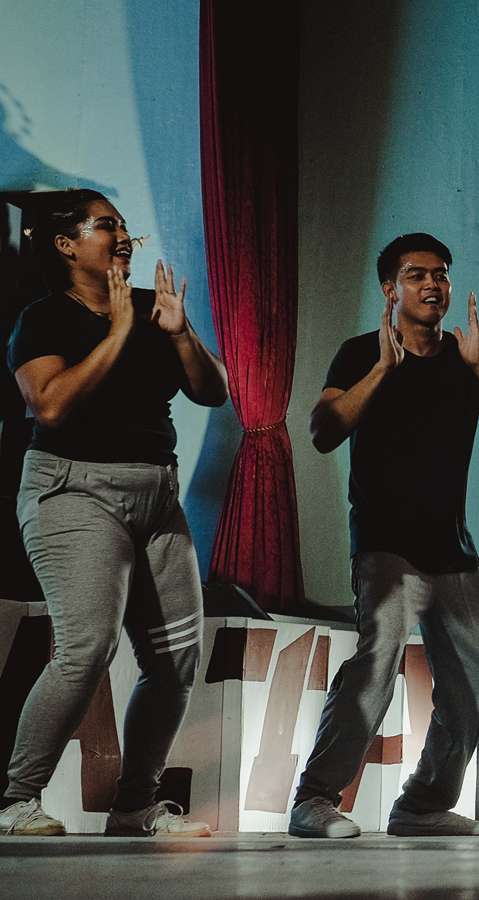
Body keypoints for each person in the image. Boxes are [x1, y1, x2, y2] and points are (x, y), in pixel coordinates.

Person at [287, 233, 479, 839]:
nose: (432, 285)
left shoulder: (468, 356)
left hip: (452, 548)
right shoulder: (358, 353)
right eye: (416, 274)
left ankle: (423, 804)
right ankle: (315, 801)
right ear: (389, 288)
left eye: (441, 275)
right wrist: (381, 370)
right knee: (376, 664)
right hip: (384, 543)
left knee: (478, 681)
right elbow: (324, 430)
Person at [0, 189, 227, 837]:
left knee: (175, 661)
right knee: (88, 646)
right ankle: (17, 799)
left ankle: (135, 806)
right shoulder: (44, 319)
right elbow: (49, 405)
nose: (123, 236)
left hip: (156, 496)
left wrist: (180, 335)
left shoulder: (156, 310)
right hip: (73, 491)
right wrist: (118, 334)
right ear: (67, 244)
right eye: (106, 226)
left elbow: (212, 392)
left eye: (124, 227)